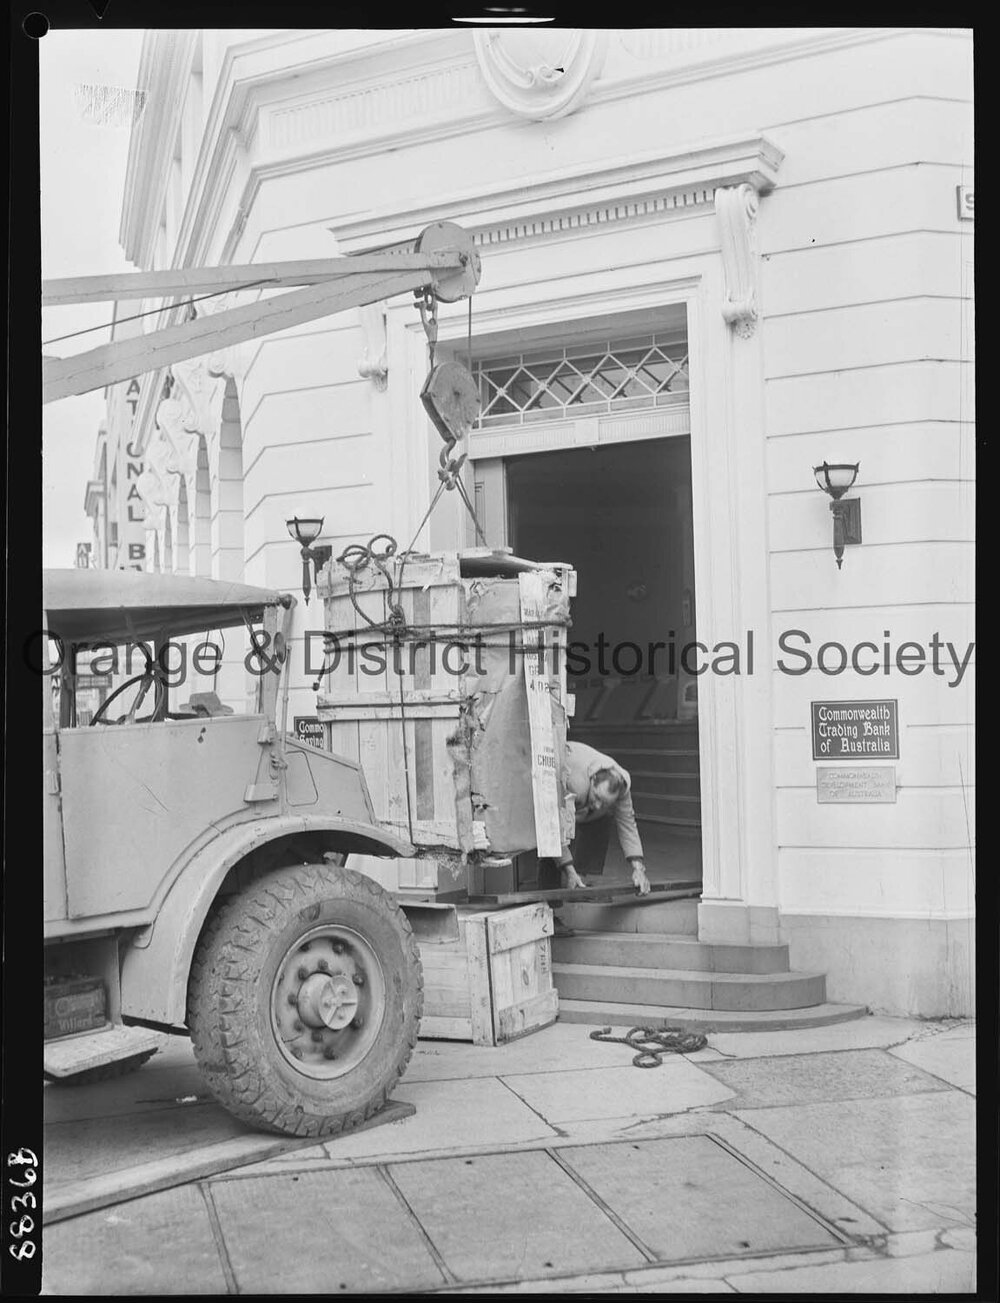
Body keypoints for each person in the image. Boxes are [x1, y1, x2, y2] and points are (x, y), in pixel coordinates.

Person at [539, 740, 651, 896]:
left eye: (605, 802)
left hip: (578, 799)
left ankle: (582, 881)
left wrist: (638, 869)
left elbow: (627, 824)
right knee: (552, 839)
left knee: (603, 816)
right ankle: (552, 892)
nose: (598, 805)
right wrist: (568, 869)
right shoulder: (574, 780)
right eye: (597, 797)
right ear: (592, 780)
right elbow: (550, 825)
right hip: (545, 781)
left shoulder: (621, 786)